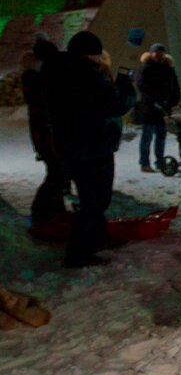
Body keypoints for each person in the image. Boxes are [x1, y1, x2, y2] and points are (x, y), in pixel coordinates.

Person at [40, 30, 135, 267]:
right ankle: (79, 253)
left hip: (69, 145)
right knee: (96, 200)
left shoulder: (55, 71)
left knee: (89, 198)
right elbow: (114, 106)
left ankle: (95, 239)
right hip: (92, 147)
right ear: (90, 54)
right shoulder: (87, 75)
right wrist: (126, 87)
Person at [21, 36, 69, 228]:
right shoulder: (36, 79)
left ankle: (54, 210)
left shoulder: (37, 78)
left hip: (47, 134)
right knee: (58, 173)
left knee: (58, 173)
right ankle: (42, 210)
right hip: (47, 135)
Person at [135, 43, 180, 173]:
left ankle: (159, 161)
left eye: (161, 53)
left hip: (164, 108)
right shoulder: (145, 68)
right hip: (149, 109)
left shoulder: (168, 69)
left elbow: (175, 86)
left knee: (161, 137)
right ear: (151, 54)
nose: (158, 55)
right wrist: (153, 101)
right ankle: (144, 163)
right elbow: (142, 86)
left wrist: (173, 101)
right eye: (156, 53)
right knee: (147, 137)